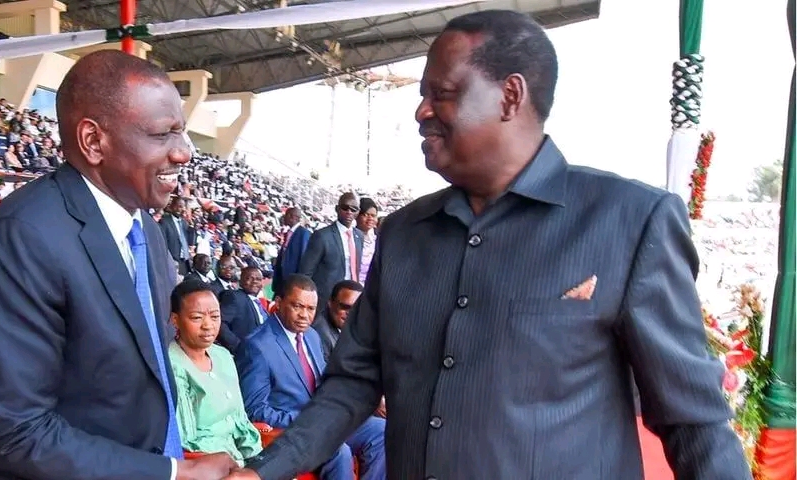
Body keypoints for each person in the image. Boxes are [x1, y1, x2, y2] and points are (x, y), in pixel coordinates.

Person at [226, 10, 750, 480]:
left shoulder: (629, 221)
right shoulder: (404, 233)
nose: (422, 111)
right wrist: (261, 473)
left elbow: (693, 421)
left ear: (510, 96)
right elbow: (352, 383)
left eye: (442, 93)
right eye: (422, 96)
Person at [0, 50, 236, 480]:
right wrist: (174, 474)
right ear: (93, 141)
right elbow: (17, 433)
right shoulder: (21, 238)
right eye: (163, 134)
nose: (182, 153)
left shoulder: (146, 228)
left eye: (182, 134)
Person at [235, 275, 385, 480]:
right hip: (298, 428)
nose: (304, 315)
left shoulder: (311, 336)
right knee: (338, 450)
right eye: (297, 306)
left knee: (380, 430)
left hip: (325, 418)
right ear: (278, 302)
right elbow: (255, 410)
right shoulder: (257, 346)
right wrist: (305, 419)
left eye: (311, 308)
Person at [168, 280, 263, 465]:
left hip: (242, 461)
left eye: (215, 316)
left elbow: (240, 420)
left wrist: (260, 463)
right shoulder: (173, 366)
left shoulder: (223, 356)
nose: (208, 325)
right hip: (208, 466)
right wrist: (235, 467)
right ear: (175, 320)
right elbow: (187, 442)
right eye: (197, 318)